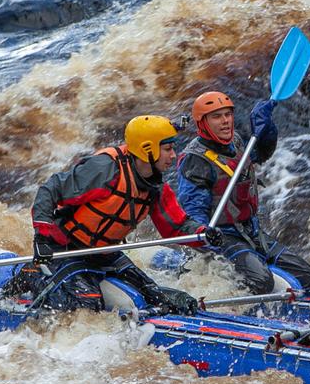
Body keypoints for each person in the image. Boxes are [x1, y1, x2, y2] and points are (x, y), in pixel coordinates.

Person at [27, 115, 222, 314]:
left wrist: (203, 233)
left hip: (104, 254)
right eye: (167, 149)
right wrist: (41, 239)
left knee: (158, 298)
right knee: (89, 306)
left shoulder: (156, 188)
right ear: (147, 149)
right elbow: (50, 191)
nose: (173, 155)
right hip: (65, 249)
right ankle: (31, 274)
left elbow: (176, 227)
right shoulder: (105, 170)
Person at [176, 91, 310, 294]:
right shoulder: (195, 160)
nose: (225, 121)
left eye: (228, 114)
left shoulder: (235, 142)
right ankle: (235, 303)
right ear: (202, 123)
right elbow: (192, 211)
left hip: (250, 231)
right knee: (261, 281)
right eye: (217, 117)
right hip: (222, 238)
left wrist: (266, 129)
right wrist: (204, 234)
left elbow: (261, 154)